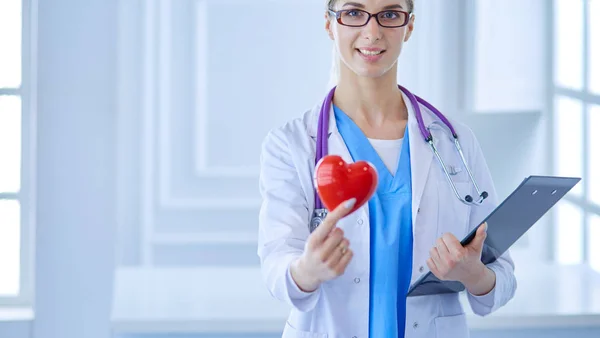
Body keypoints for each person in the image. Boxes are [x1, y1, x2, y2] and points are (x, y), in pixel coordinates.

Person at [257, 0, 517, 337]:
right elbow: (277, 266)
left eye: (390, 15)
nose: (372, 31)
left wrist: (472, 274)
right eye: (353, 13)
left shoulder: (455, 141)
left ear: (409, 27)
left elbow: (502, 278)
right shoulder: (291, 145)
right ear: (329, 24)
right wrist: (306, 271)